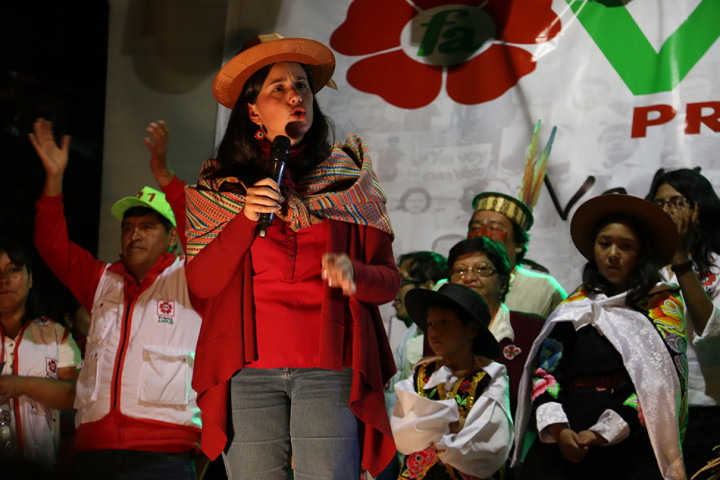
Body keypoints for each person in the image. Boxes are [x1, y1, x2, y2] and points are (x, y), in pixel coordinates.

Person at [183, 33, 399, 479]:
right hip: (247, 372)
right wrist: (245, 218)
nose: (295, 95)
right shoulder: (220, 188)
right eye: (278, 88)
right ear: (253, 110)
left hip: (328, 368)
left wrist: (355, 274)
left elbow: (389, 281)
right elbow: (201, 283)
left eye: (301, 85)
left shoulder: (348, 180)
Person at [30, 118, 203, 479]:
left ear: (173, 237)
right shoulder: (102, 280)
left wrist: (164, 174)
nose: (133, 235)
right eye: (128, 227)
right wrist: (54, 179)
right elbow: (50, 243)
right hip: (96, 450)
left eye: (147, 226)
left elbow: (199, 232)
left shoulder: (192, 277)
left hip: (164, 453)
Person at [513, 193, 688, 480]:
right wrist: (560, 429)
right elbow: (547, 371)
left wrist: (601, 433)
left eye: (626, 246)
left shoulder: (660, 306)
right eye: (605, 244)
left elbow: (657, 387)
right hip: (566, 437)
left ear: (642, 253)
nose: (613, 253)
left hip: (628, 446)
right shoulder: (575, 306)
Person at [391, 283, 513, 479]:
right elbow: (402, 432)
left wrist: (429, 425)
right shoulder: (420, 374)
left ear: (471, 329)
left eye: (444, 322)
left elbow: (486, 446)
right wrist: (456, 423)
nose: (434, 331)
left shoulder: (490, 376)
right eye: (430, 324)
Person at [647, 168, 720, 477]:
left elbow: (711, 330)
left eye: (676, 203)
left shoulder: (717, 266)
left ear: (699, 210)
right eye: (659, 204)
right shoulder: (642, 268)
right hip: (649, 412)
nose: (666, 211)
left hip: (707, 412)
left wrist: (682, 260)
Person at [0, 236, 80, 470]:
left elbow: (75, 395)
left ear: (30, 278)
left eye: (13, 270)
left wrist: (21, 385)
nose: (4, 279)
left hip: (39, 466)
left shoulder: (55, 335)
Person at [447, 236, 545, 416]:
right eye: (460, 270)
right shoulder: (438, 330)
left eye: (482, 269)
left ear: (503, 282)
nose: (469, 277)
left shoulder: (532, 328)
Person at [381, 251, 447, 480]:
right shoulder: (412, 332)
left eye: (402, 282)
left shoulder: (440, 335)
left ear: (429, 286)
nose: (395, 293)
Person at [469, 192, 566, 318]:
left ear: (519, 244)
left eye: (494, 228)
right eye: (475, 227)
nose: (480, 234)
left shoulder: (543, 288)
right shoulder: (447, 285)